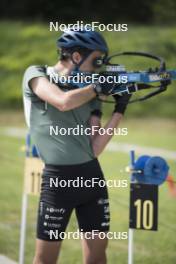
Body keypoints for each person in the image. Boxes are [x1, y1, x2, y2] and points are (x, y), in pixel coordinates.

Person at [22, 28, 131, 264]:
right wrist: (100, 87)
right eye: (96, 61)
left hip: (92, 177)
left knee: (97, 259)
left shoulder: (88, 93)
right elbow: (62, 102)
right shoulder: (36, 74)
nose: (98, 69)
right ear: (77, 57)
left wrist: (119, 109)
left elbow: (95, 148)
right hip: (58, 181)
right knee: (45, 260)